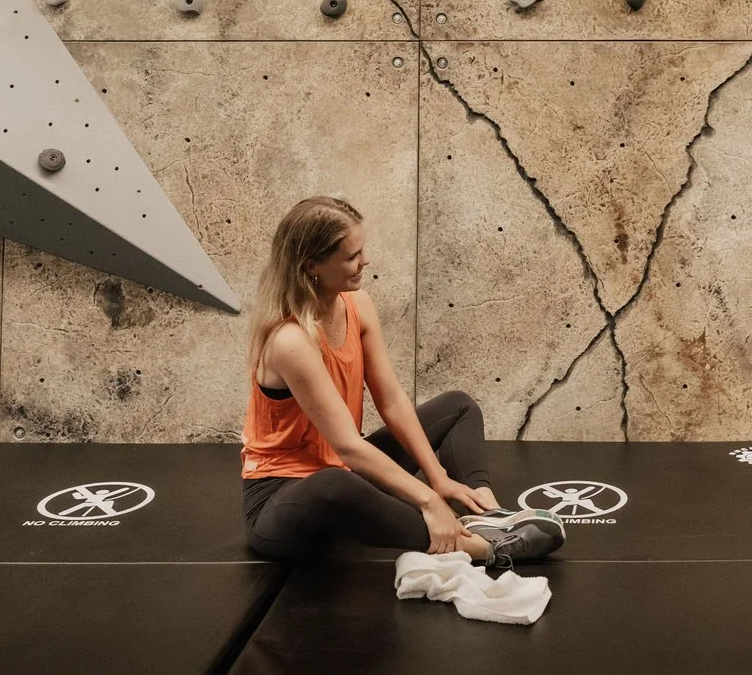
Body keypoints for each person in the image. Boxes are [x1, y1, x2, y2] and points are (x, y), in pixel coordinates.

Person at [240, 195, 563, 568]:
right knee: (334, 482)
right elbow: (349, 448)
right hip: (283, 503)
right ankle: (482, 548)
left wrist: (439, 479)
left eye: (362, 250)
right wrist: (427, 499)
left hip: (345, 474)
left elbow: (391, 400)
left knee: (457, 407)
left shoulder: (356, 304)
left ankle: (486, 511)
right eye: (351, 257)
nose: (365, 262)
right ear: (312, 265)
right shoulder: (290, 340)